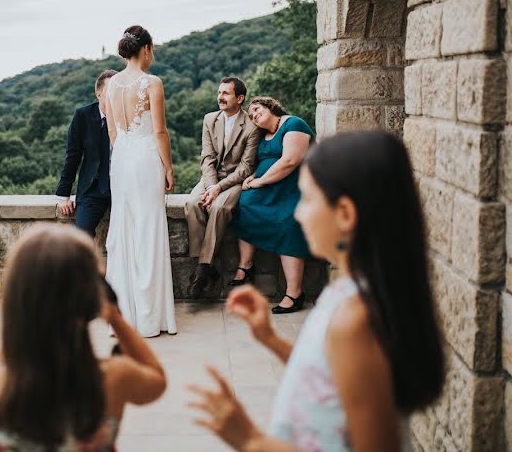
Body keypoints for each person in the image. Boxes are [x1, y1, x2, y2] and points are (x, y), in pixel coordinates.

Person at [188, 130, 446, 451]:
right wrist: (270, 338)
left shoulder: (355, 321)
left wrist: (249, 439)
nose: (298, 212)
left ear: (345, 214)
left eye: (306, 199)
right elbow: (331, 376)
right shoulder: (351, 292)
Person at [0, 224, 167, 451]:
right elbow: (157, 379)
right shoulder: (112, 379)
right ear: (88, 302)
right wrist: (114, 317)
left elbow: (15, 344)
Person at [103, 25, 177, 337]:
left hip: (120, 160)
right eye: (153, 48)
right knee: (148, 231)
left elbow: (113, 133)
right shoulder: (152, 83)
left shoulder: (110, 84)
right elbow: (160, 131)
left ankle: (123, 315)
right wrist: (169, 169)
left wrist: (121, 156)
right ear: (145, 49)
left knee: (124, 231)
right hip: (146, 158)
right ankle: (149, 318)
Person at [230, 96, 313, 313]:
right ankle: (245, 267)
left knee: (289, 225)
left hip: (294, 188)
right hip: (270, 188)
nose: (254, 115)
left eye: (257, 109)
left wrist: (260, 180)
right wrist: (253, 176)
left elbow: (289, 161)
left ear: (271, 106)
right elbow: (264, 161)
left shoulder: (293, 123)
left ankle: (294, 293)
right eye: (251, 115)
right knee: (244, 206)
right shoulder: (264, 135)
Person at [184, 77, 260, 298]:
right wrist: (210, 186)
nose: (220, 97)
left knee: (219, 209)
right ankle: (206, 267)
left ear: (240, 98)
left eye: (226, 93)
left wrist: (218, 188)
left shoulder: (251, 126)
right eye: (219, 93)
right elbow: (207, 157)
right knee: (191, 204)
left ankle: (201, 272)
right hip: (210, 177)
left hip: (234, 180)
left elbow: (245, 168)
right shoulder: (210, 119)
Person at [55, 70, 118, 238]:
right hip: (93, 189)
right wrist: (63, 195)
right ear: (99, 93)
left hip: (123, 186)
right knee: (82, 236)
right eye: (111, 90)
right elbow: (73, 155)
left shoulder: (127, 117)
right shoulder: (83, 116)